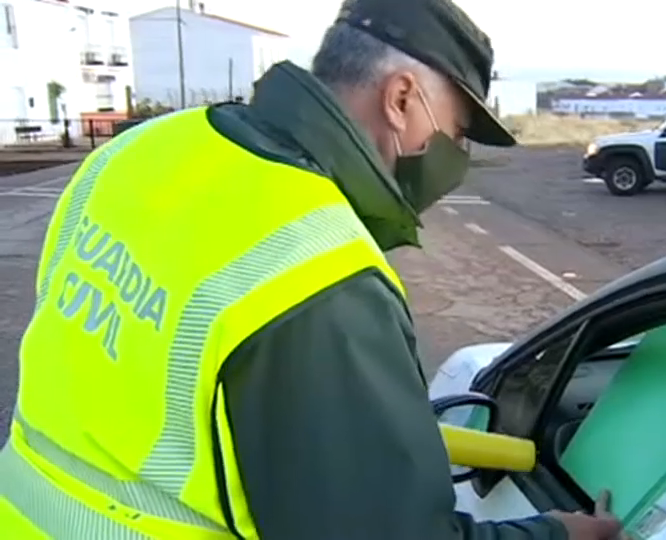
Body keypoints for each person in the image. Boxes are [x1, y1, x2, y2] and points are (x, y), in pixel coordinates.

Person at [0, 0, 623, 538]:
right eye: (458, 132)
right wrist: (556, 534)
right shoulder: (320, 276)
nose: (455, 157)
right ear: (402, 98)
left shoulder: (144, 149)